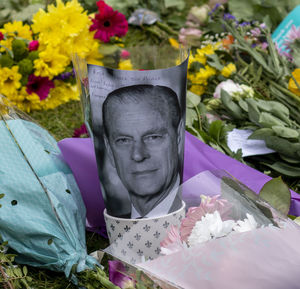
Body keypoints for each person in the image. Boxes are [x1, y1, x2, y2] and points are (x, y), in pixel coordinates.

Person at [102, 84, 183, 218]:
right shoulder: (111, 223)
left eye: (153, 137)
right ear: (109, 149)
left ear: (179, 137)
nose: (138, 155)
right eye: (124, 140)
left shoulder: (213, 213)